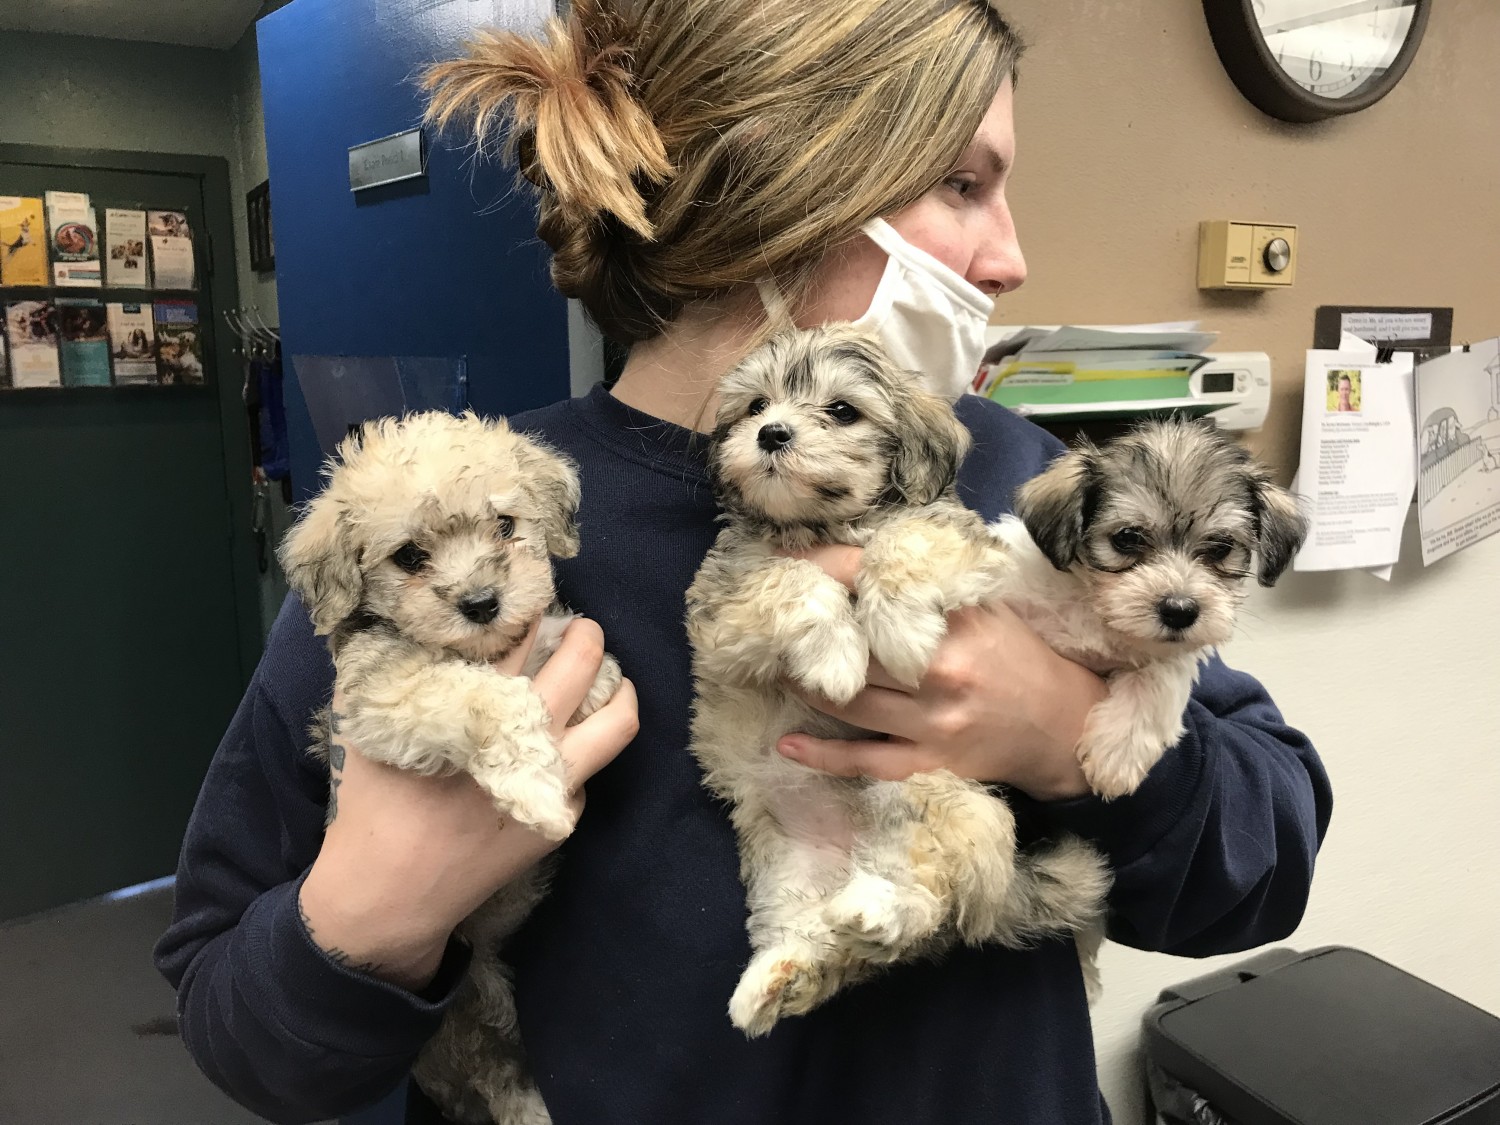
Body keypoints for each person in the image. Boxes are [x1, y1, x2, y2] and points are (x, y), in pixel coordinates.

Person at [155, 2, 1332, 1123]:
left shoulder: (1011, 479)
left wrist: (1067, 733)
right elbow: (236, 1023)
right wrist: (373, 915)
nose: (1011, 256)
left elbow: (1263, 865)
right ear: (782, 174)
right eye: (964, 184)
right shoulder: (462, 529)